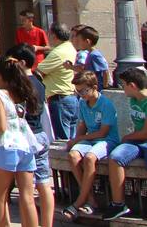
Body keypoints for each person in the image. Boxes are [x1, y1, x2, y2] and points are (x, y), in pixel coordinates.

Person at [0, 57, 39, 227]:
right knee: (27, 197)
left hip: (7, 146)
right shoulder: (22, 91)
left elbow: (0, 126)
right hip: (26, 145)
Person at [63, 70, 120, 219]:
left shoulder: (106, 104)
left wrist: (78, 139)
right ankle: (89, 198)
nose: (81, 94)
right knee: (73, 155)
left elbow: (103, 133)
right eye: (78, 91)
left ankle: (79, 202)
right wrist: (75, 140)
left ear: (94, 87)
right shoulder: (83, 103)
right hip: (90, 139)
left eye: (84, 90)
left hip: (107, 139)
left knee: (89, 158)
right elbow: (82, 125)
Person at [101, 66, 147, 220]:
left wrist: (126, 138)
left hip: (142, 139)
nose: (122, 88)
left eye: (123, 84)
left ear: (132, 85)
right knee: (115, 157)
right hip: (137, 141)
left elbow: (145, 133)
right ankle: (119, 204)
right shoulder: (134, 99)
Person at [35, 23, 76, 140]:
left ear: (53, 35)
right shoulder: (70, 47)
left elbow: (38, 72)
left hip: (60, 99)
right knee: (70, 137)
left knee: (62, 140)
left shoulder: (58, 52)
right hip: (69, 96)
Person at [72, 26, 110, 90]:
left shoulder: (95, 55)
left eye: (79, 41)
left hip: (98, 88)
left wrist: (105, 87)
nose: (77, 43)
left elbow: (105, 71)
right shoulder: (90, 54)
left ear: (87, 41)